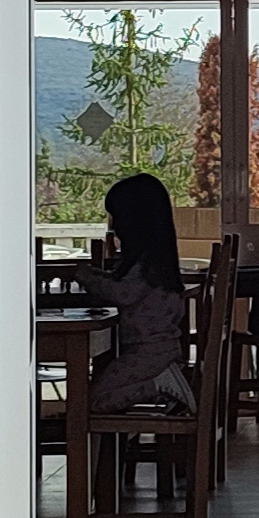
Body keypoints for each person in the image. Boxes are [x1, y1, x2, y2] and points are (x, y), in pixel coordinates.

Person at [76, 173, 192, 415]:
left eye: (117, 217)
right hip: (159, 349)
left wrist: (86, 276)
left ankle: (158, 385)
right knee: (100, 395)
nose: (115, 225)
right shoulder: (156, 262)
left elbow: (122, 294)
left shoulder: (145, 264)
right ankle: (159, 388)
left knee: (96, 401)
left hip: (147, 351)